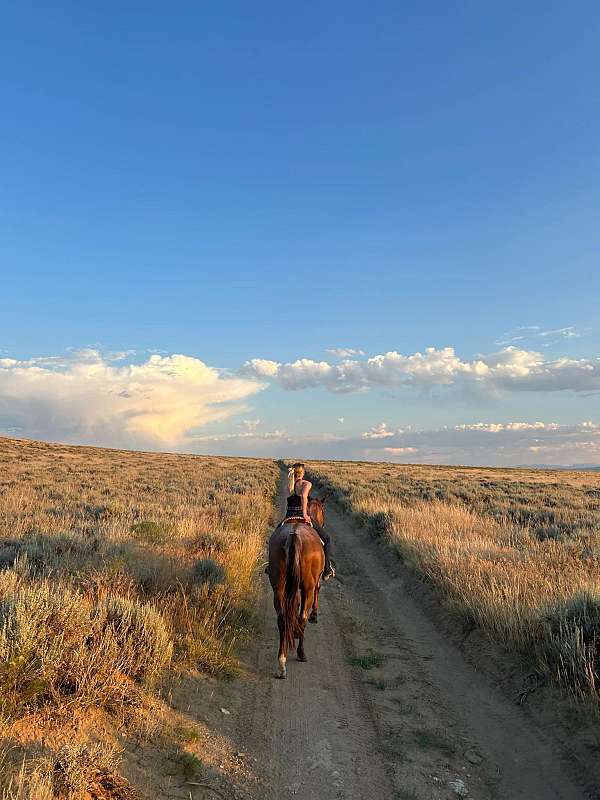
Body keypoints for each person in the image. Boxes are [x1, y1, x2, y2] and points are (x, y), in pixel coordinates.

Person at [285, 463, 335, 580]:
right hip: (301, 515)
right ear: (302, 473)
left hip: (288, 516)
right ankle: (327, 568)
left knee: (275, 535)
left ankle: (271, 565)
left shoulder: (288, 486)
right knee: (327, 539)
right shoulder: (306, 484)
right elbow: (303, 497)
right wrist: (304, 514)